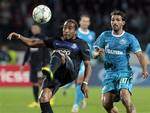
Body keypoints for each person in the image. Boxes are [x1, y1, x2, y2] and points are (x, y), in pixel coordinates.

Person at [7, 19, 92, 113]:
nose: (66, 30)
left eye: (70, 28)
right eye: (65, 28)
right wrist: (19, 37)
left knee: (58, 53)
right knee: (43, 98)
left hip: (70, 72)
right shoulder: (55, 41)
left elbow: (88, 65)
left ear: (75, 31)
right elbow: (32, 43)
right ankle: (50, 73)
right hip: (56, 75)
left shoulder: (82, 44)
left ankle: (50, 72)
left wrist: (85, 83)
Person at [93, 10, 148, 113]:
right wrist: (97, 54)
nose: (115, 22)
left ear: (123, 22)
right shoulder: (105, 35)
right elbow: (94, 53)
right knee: (106, 103)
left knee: (125, 97)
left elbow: (140, 54)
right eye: (112, 20)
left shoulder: (129, 38)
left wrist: (144, 70)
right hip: (109, 73)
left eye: (118, 20)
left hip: (124, 72)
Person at [20, 24, 51, 108]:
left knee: (41, 82)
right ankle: (36, 101)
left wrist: (47, 62)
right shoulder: (30, 39)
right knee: (34, 83)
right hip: (33, 64)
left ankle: (47, 99)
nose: (34, 29)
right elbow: (27, 52)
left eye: (35, 28)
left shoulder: (43, 38)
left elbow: (47, 51)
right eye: (33, 28)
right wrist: (23, 64)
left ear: (39, 29)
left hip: (41, 64)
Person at [71, 14, 96, 113]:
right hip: (76, 61)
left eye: (87, 21)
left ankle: (75, 105)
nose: (85, 23)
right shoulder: (75, 33)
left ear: (89, 23)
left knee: (80, 80)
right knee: (77, 82)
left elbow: (93, 47)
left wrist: (95, 53)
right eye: (83, 21)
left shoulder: (92, 34)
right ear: (80, 22)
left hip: (86, 61)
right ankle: (81, 99)